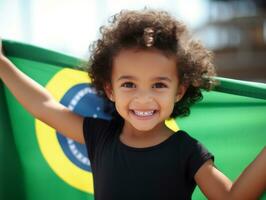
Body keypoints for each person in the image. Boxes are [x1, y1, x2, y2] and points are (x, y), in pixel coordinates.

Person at [0, 9, 265, 200]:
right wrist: (2, 64)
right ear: (109, 89)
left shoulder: (187, 150)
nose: (143, 98)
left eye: (159, 85)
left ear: (180, 90)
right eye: (129, 84)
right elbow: (44, 106)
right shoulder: (99, 137)